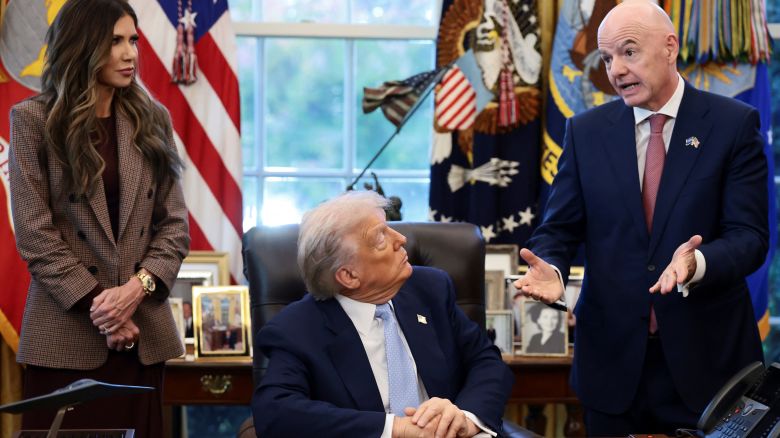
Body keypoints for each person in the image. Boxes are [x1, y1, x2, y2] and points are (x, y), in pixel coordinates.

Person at [513, 0, 767, 435]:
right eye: (607, 57)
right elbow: (558, 228)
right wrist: (552, 268)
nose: (615, 69)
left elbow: (749, 236)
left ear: (670, 48)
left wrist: (696, 264)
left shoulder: (733, 124)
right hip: (612, 365)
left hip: (709, 365)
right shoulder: (586, 133)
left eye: (629, 52)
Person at [8, 0, 189, 435]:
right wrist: (106, 310)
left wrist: (135, 290)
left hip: (141, 339)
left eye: (133, 40)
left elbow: (174, 226)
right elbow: (35, 235)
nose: (130, 54)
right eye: (114, 42)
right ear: (81, 45)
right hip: (63, 340)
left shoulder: (153, 120)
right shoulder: (32, 121)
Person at [252, 191, 514, 438]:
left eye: (390, 227)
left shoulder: (430, 290)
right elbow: (276, 412)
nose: (401, 239)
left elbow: (485, 360)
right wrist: (396, 429)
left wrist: (465, 417)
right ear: (349, 276)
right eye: (380, 237)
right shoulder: (297, 329)